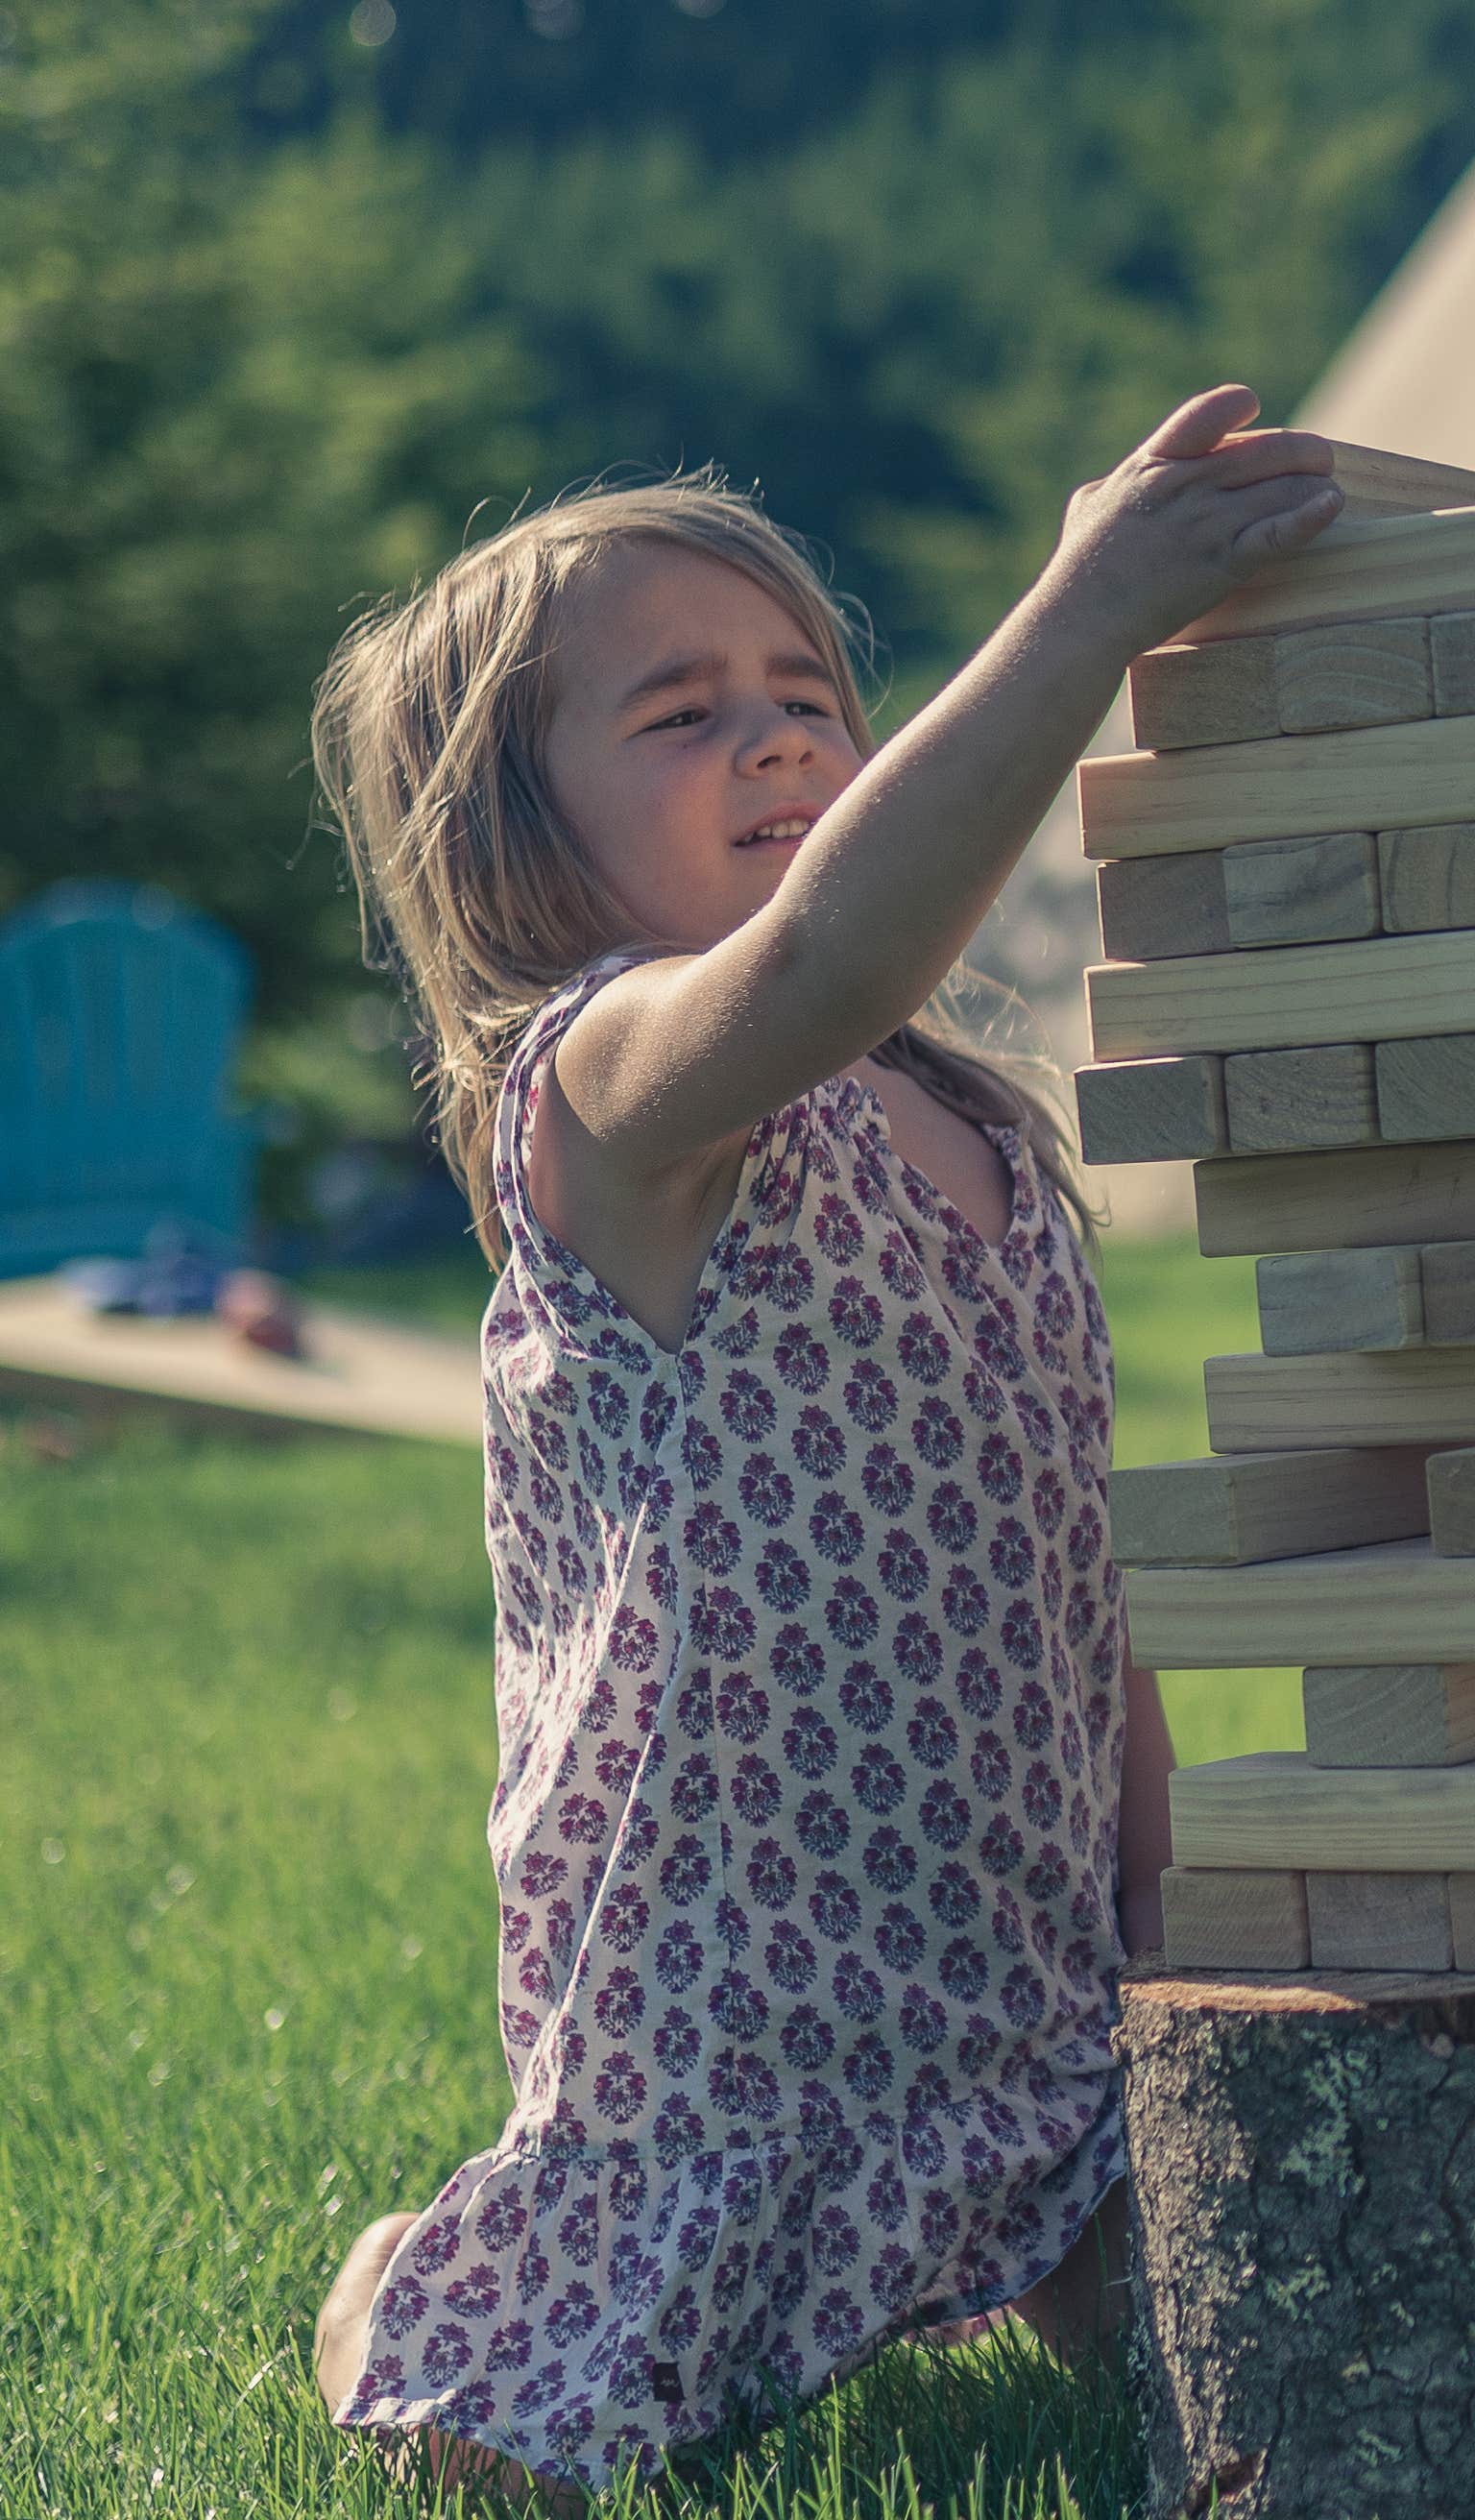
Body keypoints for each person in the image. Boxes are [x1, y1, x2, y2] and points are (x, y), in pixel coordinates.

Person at [302, 391, 1344, 2501]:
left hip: (1031, 2015)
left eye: (805, 693)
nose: (779, 738)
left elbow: (1069, 1568)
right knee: (492, 2443)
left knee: (1276, 2389)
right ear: (518, 836)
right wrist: (1084, 610)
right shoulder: (608, 1096)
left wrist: (1167, 1946)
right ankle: (402, 2271)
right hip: (730, 2057)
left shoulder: (966, 1123)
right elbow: (841, 943)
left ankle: (1025, 2216)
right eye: (681, 716)